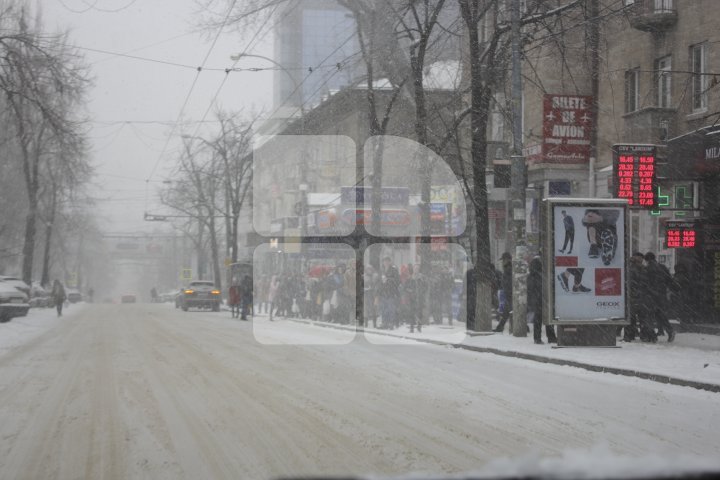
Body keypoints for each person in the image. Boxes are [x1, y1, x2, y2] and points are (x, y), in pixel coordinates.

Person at [624, 252, 656, 343]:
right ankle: (645, 335)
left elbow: (629, 283)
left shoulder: (630, 268)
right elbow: (646, 283)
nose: (641, 260)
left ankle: (630, 335)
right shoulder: (643, 269)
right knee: (643, 318)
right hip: (641, 297)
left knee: (631, 317)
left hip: (634, 297)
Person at [644, 252, 676, 342]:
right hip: (661, 295)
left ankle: (652, 335)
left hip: (650, 295)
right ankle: (670, 331)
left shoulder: (647, 269)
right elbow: (669, 280)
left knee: (649, 315)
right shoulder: (663, 268)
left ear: (647, 260)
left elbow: (645, 284)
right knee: (661, 315)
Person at [526, 257, 557, 344]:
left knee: (538, 319)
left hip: (538, 300)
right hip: (544, 299)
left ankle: (538, 338)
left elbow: (530, 290)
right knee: (547, 318)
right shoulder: (542, 275)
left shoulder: (531, 276)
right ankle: (550, 337)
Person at [377, 256, 400, 329]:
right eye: (384, 261)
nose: (386, 263)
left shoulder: (394, 270)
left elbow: (397, 280)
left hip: (391, 292)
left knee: (391, 309)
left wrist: (388, 280)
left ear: (390, 262)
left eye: (387, 261)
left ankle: (391, 323)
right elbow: (378, 281)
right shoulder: (381, 270)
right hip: (383, 292)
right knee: (383, 309)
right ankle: (384, 323)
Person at [494, 253, 513, 333]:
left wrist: (507, 291)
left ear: (507, 259)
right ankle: (500, 327)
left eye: (503, 260)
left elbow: (509, 282)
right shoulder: (507, 268)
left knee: (509, 311)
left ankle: (500, 327)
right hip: (508, 293)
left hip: (510, 293)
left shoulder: (509, 269)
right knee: (507, 311)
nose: (502, 262)